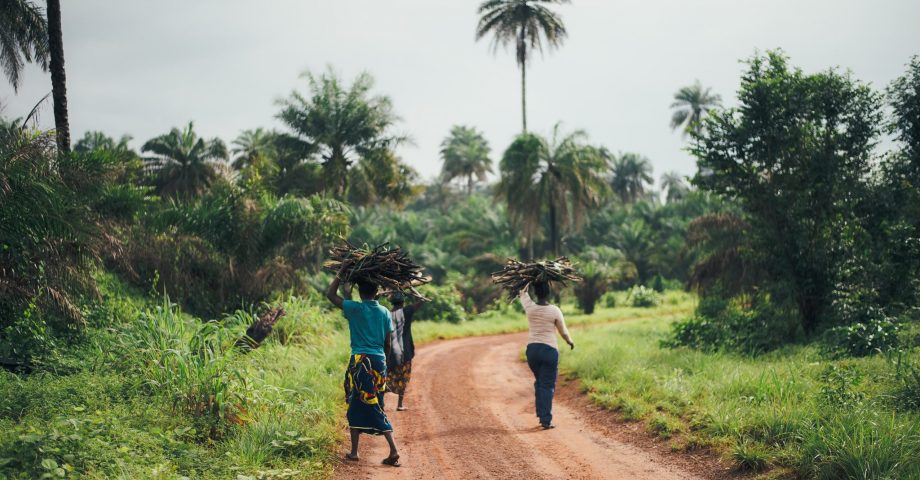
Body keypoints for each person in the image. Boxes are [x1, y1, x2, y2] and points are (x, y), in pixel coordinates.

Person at [326, 262, 401, 467]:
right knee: (363, 404)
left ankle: (393, 450)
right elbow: (387, 342)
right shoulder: (385, 312)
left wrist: (341, 274)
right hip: (378, 361)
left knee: (365, 404)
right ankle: (354, 452)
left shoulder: (354, 308)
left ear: (360, 291)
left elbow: (330, 295)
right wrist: (383, 363)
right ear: (377, 291)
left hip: (360, 362)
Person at [519, 280, 574, 429]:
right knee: (547, 385)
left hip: (532, 351)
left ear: (535, 293)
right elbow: (563, 331)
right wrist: (570, 342)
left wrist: (527, 280)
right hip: (549, 351)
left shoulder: (530, 307)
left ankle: (541, 413)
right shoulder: (555, 310)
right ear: (548, 293)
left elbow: (522, 293)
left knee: (540, 382)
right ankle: (545, 419)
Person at [386, 292, 424, 411]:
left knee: (388, 376)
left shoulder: (387, 314)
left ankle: (380, 402)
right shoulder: (406, 311)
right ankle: (399, 404)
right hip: (404, 351)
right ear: (402, 302)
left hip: (390, 352)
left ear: (392, 302)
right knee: (403, 377)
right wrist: (412, 291)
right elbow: (421, 300)